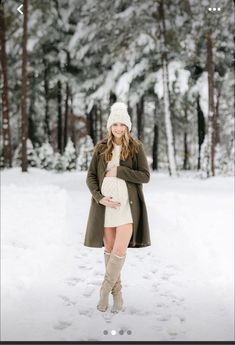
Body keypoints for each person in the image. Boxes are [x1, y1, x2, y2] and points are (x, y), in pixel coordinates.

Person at [84, 102, 151, 313]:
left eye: (123, 124)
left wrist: (119, 171)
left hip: (127, 209)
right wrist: (99, 198)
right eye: (115, 124)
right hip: (105, 208)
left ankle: (104, 289)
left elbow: (145, 176)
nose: (119, 128)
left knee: (120, 251)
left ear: (128, 126)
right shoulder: (101, 148)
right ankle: (118, 294)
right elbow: (91, 177)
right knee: (110, 251)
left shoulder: (136, 147)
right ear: (109, 126)